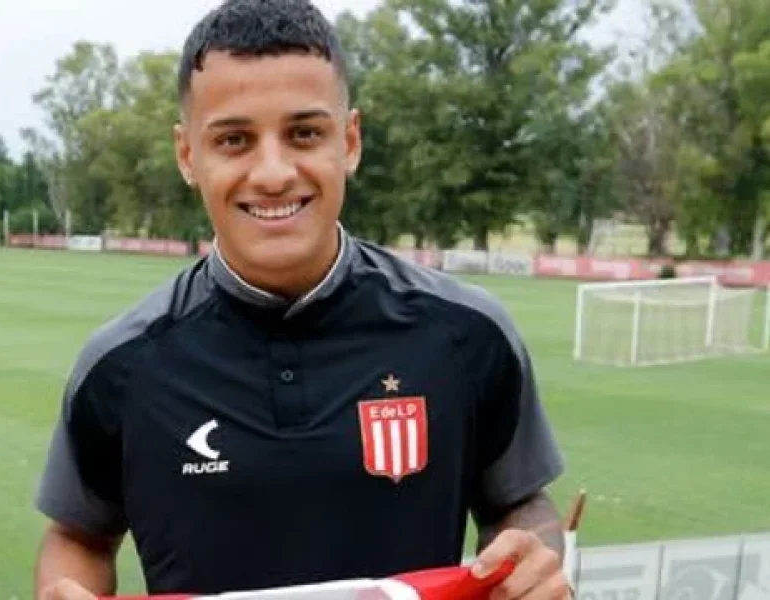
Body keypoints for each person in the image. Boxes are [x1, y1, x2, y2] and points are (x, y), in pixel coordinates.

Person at [33, 0, 573, 599]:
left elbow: (521, 503)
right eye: (234, 139)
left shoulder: (468, 334)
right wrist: (66, 589)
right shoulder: (120, 365)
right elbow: (79, 536)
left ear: (350, 141)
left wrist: (538, 558)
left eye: (304, 134)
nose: (273, 173)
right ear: (188, 156)